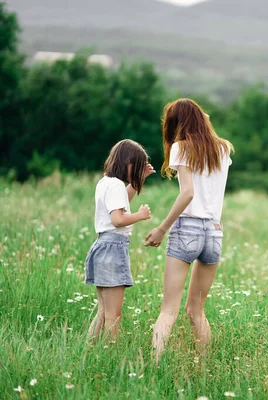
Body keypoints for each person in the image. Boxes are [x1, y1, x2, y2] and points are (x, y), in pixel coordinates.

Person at [145, 98, 233, 361]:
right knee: (196, 310)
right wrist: (204, 118)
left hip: (187, 230)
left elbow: (188, 194)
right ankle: (203, 367)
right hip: (214, 232)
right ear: (201, 118)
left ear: (176, 123)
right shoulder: (224, 149)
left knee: (168, 310)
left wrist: (162, 228)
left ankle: (154, 365)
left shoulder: (180, 148)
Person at [85, 139, 155, 339]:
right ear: (128, 163)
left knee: (103, 311)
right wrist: (140, 216)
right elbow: (117, 219)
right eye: (137, 167)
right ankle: (108, 354)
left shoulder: (106, 182)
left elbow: (120, 202)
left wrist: (137, 181)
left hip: (102, 247)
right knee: (113, 316)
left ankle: (88, 350)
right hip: (113, 249)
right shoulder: (115, 185)